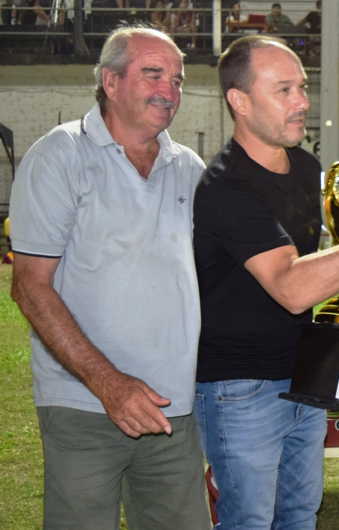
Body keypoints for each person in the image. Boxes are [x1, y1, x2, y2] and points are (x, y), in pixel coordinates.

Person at [193, 35, 339, 530]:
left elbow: (316, 262)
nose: (303, 101)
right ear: (239, 101)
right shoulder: (226, 186)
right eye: (283, 90)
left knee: (301, 514)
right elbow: (291, 286)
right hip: (240, 386)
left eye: (302, 87)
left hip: (304, 373)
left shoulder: (305, 167)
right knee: (248, 521)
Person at [8, 25, 210, 530]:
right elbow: (29, 286)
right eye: (153, 74)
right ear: (111, 81)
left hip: (172, 409)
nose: (170, 90)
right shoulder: (60, 155)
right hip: (83, 403)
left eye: (179, 80)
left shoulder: (188, 167)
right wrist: (110, 385)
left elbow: (229, 271)